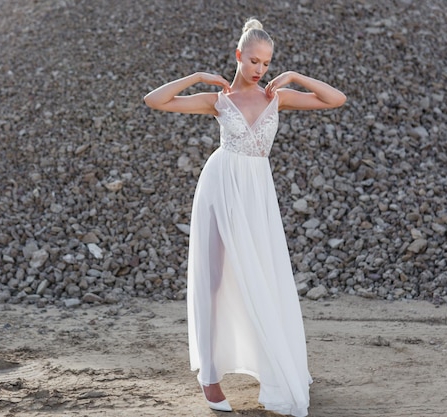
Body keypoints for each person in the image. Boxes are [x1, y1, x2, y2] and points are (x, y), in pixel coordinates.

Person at [144, 18, 346, 416]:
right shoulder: (217, 100)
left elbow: (335, 99)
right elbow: (155, 100)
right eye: (253, 60)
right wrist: (198, 76)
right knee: (214, 280)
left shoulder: (277, 96)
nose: (260, 69)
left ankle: (272, 365)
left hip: (256, 191)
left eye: (267, 63)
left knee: (263, 275)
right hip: (221, 186)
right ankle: (210, 378)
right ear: (238, 56)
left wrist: (296, 76)